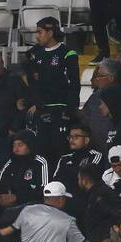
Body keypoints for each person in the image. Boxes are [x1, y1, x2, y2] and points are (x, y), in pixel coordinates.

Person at [24, 17, 80, 164]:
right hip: (42, 111)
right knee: (42, 153)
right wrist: (36, 103)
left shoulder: (68, 54)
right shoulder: (35, 55)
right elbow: (32, 84)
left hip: (62, 111)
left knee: (61, 152)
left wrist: (70, 109)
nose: (37, 36)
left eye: (40, 32)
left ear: (50, 32)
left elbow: (75, 84)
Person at [0, 130, 49, 226]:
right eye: (14, 145)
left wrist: (17, 198)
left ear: (30, 145)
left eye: (20, 145)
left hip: (30, 203)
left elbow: (45, 191)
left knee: (23, 210)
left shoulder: (40, 162)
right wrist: (0, 198)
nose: (16, 149)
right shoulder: (11, 162)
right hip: (12, 203)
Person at [74, 164, 121, 242]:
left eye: (79, 179)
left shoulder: (101, 195)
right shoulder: (93, 194)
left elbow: (118, 214)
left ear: (85, 180)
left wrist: (107, 238)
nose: (78, 182)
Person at [80, 59, 121, 154]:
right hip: (95, 152)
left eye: (100, 76)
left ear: (111, 78)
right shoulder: (94, 97)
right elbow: (85, 120)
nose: (97, 79)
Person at [53, 124, 104, 204]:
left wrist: (69, 175)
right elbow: (56, 181)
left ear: (86, 140)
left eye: (76, 137)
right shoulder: (64, 158)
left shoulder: (95, 156)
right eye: (70, 137)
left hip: (85, 201)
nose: (71, 140)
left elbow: (87, 178)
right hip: (63, 200)